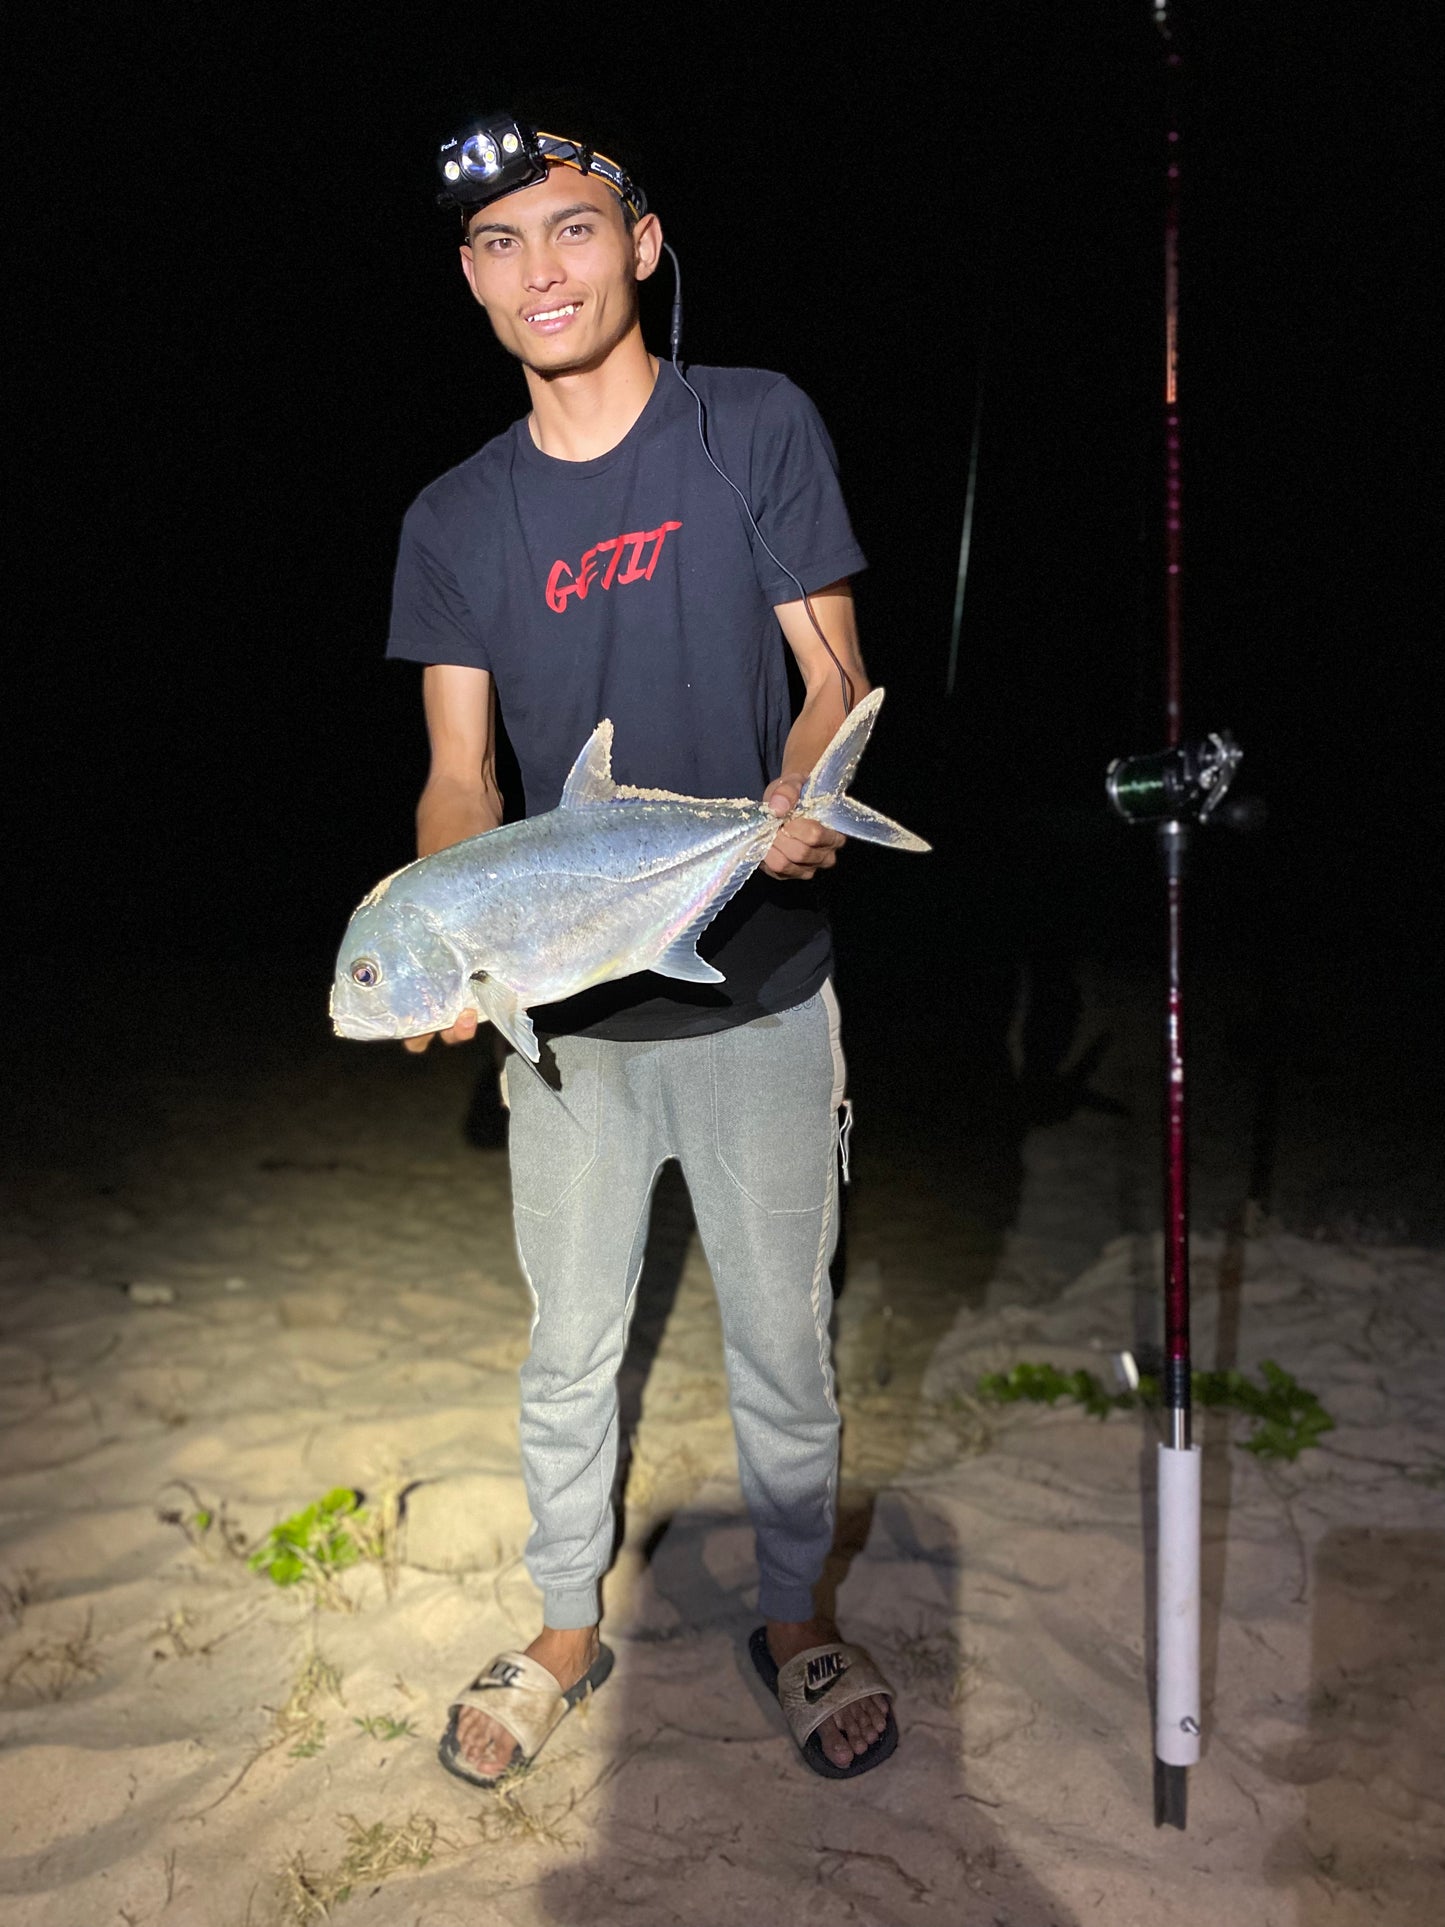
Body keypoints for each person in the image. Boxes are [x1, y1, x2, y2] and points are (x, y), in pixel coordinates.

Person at [385, 112, 899, 1783]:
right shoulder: (455, 518)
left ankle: (793, 1616)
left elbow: (829, 670)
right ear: (468, 281)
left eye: (573, 229)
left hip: (759, 985)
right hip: (568, 1015)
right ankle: (558, 1623)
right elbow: (461, 778)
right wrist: (446, 935)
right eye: (499, 244)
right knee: (566, 1350)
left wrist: (805, 788)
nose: (541, 269)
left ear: (643, 245)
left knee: (780, 1342)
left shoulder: (749, 425)